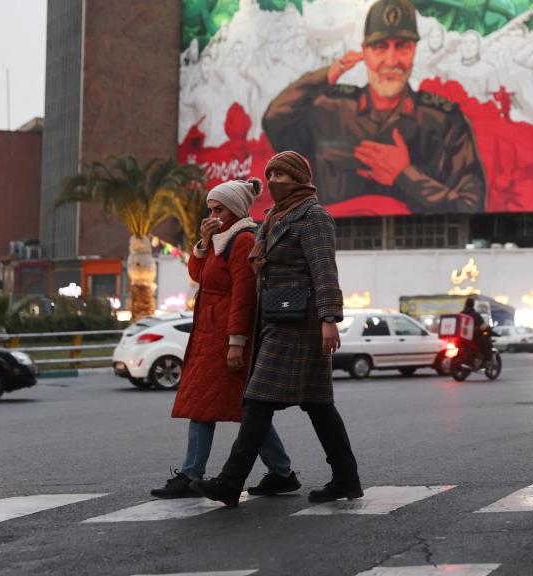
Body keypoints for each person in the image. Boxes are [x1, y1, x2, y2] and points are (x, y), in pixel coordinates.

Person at [191, 151, 360, 507]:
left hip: (301, 323)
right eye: (271, 174)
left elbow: (324, 271)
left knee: (257, 402)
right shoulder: (272, 218)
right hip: (276, 321)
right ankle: (346, 477)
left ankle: (229, 482)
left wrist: (330, 320)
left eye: (283, 174)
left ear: (300, 178)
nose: (274, 180)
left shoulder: (313, 217)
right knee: (317, 405)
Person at [262, 0, 487, 214]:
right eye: (380, 47)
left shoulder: (444, 121)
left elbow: (470, 204)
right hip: (332, 244)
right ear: (365, 51)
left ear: (414, 50)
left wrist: (405, 175)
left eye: (402, 47)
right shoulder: (330, 109)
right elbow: (275, 120)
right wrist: (329, 74)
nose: (391, 61)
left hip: (422, 245)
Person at [152, 179, 299, 499]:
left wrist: (236, 341)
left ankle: (192, 475)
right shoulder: (221, 239)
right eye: (210, 209)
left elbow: (243, 296)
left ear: (234, 209)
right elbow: (198, 275)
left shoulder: (243, 240)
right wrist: (203, 242)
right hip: (209, 335)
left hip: (223, 338)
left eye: (219, 209)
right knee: (243, 408)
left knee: (208, 406)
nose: (213, 215)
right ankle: (281, 471)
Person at [462, 297, 492, 362]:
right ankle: (487, 360)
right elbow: (483, 325)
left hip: (462, 337)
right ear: (473, 305)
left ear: (465, 304)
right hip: (473, 337)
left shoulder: (461, 314)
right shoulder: (475, 314)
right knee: (487, 343)